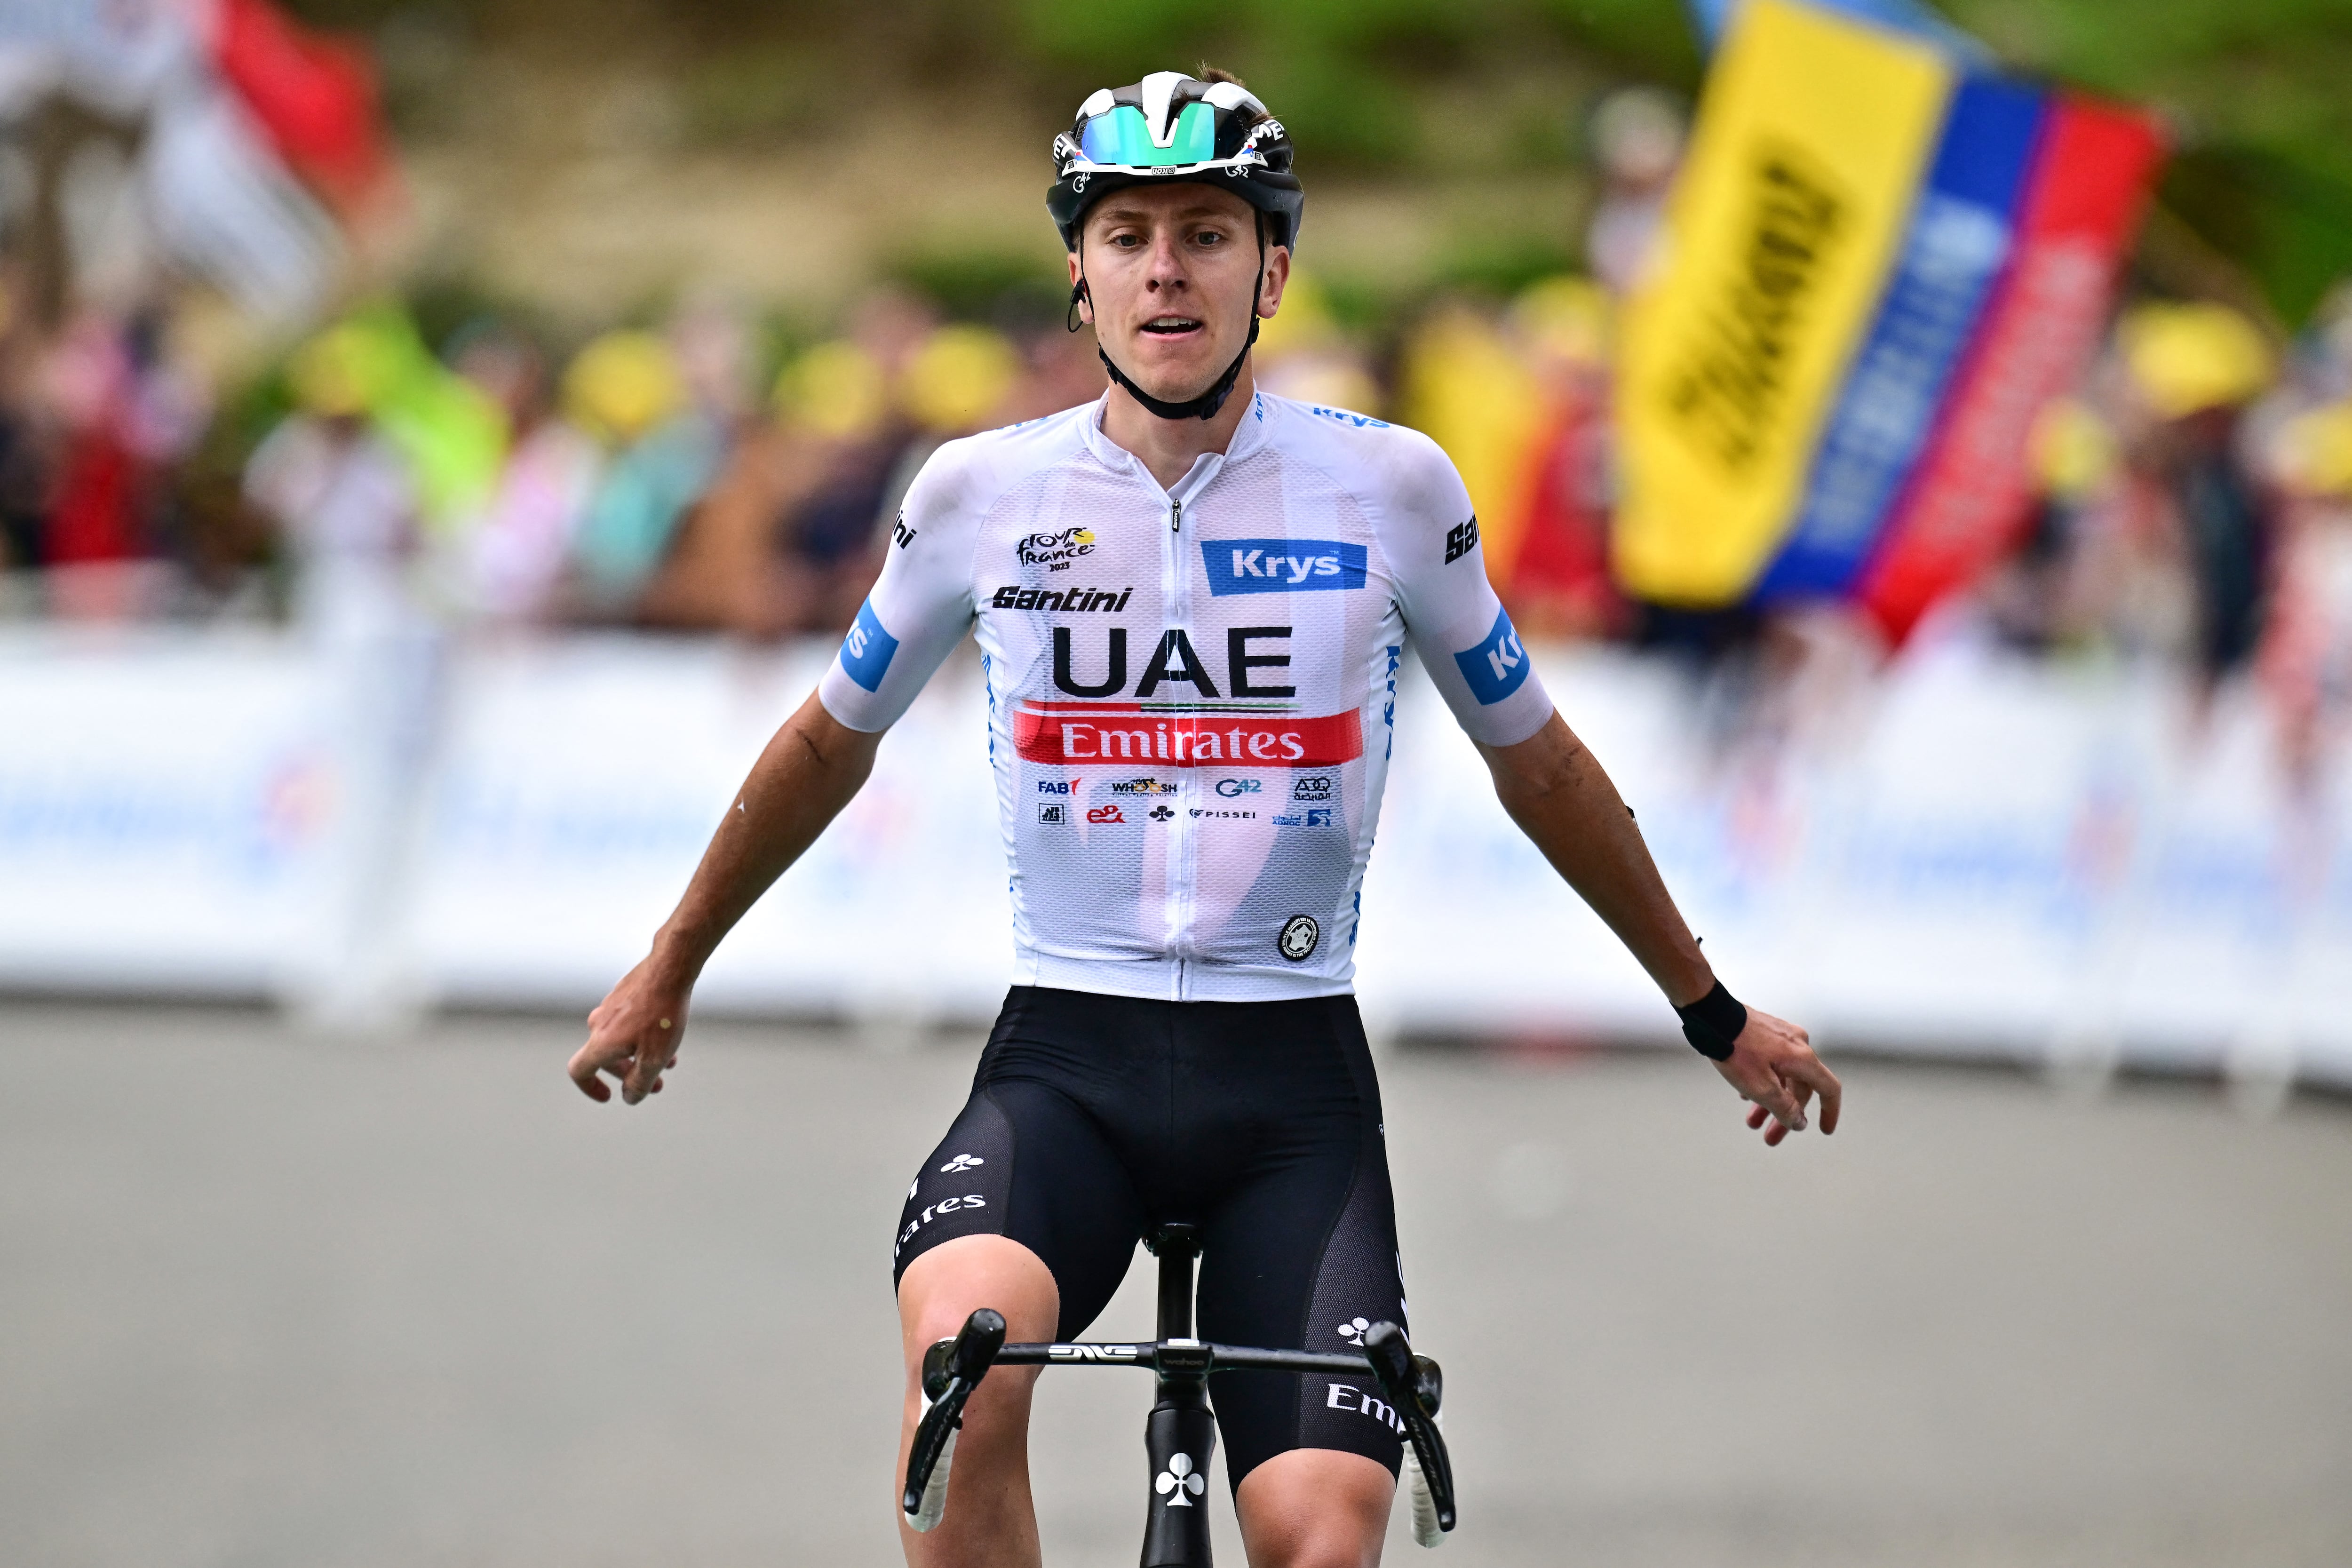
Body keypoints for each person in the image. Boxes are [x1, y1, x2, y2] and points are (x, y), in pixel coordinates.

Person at [566, 70, 1840, 1568]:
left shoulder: (1391, 487)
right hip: (1069, 1067)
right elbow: (824, 745)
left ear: (1272, 270)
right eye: (1127, 234)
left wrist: (1711, 1008)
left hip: (1289, 1086)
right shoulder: (979, 494)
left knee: (1322, 1535)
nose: (1165, 265)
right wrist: (671, 962)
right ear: (1080, 276)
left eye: (1207, 231)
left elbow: (1542, 765)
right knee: (959, 1381)